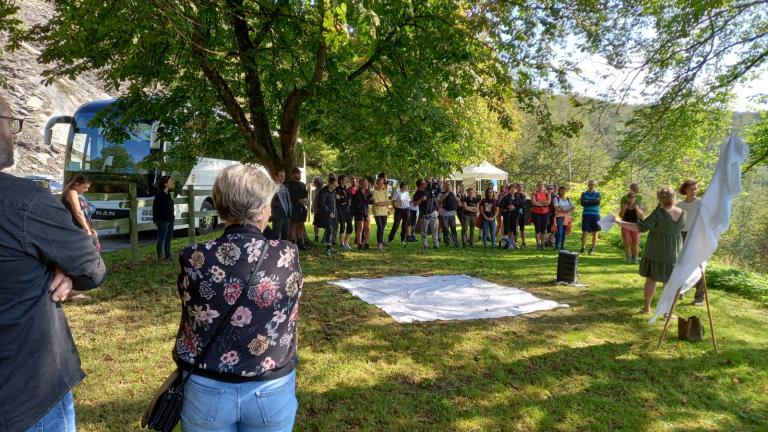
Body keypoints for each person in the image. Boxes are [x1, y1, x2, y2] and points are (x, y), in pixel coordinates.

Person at [0, 94, 106, 432]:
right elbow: (92, 268)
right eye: (10, 122)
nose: (15, 133)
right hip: (27, 393)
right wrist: (65, 268)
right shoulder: (26, 202)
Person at [174, 164, 302, 431]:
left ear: (220, 206)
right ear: (262, 208)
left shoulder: (195, 256)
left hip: (207, 386)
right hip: (269, 387)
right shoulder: (285, 255)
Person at [618, 186, 685, 314]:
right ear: (674, 198)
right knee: (669, 282)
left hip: (655, 250)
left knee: (651, 279)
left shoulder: (658, 214)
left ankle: (647, 308)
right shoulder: (683, 213)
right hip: (674, 251)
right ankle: (668, 312)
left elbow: (640, 227)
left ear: (660, 199)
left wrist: (620, 222)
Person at [676, 179, 705, 305]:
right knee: (679, 265)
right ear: (685, 190)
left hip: (696, 236)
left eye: (696, 189)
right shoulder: (679, 205)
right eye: (691, 189)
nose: (694, 191)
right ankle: (679, 292)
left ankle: (699, 297)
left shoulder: (702, 203)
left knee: (699, 266)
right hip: (681, 235)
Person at [61, 174, 100, 251]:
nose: (86, 190)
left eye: (88, 187)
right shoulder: (72, 192)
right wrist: (87, 231)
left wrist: (92, 230)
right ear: (76, 184)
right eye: (85, 187)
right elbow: (78, 213)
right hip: (77, 230)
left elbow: (84, 214)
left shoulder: (78, 195)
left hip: (82, 230)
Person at [152, 175, 176, 261]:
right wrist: (156, 220)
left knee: (168, 239)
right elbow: (155, 208)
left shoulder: (168, 193)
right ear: (165, 184)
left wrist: (172, 217)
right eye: (170, 181)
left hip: (170, 220)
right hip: (162, 220)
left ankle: (168, 256)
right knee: (162, 239)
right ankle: (159, 257)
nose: (172, 182)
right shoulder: (159, 195)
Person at [286, 167, 310, 250]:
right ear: (293, 174)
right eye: (297, 173)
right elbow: (290, 197)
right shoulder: (289, 185)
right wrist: (298, 200)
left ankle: (300, 244)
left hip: (302, 208)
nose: (299, 175)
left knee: (301, 225)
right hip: (294, 208)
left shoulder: (302, 184)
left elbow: (306, 196)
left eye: (300, 173)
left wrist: (305, 200)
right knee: (293, 226)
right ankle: (292, 244)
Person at [413, 179, 439, 249]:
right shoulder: (417, 194)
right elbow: (415, 204)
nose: (426, 184)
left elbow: (436, 189)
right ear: (420, 185)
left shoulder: (429, 190)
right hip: (424, 214)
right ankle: (425, 245)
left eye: (425, 183)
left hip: (433, 212)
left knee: (435, 229)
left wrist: (437, 209)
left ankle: (436, 245)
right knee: (424, 231)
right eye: (424, 183)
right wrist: (421, 199)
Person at [619, 191, 644, 263]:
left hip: (635, 226)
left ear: (635, 198)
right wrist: (624, 209)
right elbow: (621, 216)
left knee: (635, 243)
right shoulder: (624, 205)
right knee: (627, 243)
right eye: (629, 197)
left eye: (633, 197)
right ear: (627, 198)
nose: (631, 198)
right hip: (625, 226)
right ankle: (628, 258)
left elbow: (641, 216)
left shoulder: (638, 206)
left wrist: (637, 209)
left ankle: (636, 258)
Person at [579, 179, 602, 255]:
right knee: (584, 231)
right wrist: (592, 201)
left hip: (595, 215)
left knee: (595, 232)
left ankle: (593, 248)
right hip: (586, 214)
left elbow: (597, 202)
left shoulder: (598, 194)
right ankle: (583, 248)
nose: (591, 185)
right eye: (590, 184)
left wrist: (587, 201)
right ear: (588, 185)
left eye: (593, 184)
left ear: (595, 185)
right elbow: (582, 203)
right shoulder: (584, 193)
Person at [318, 174, 338, 256]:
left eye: (336, 185)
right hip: (327, 214)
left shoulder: (333, 192)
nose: (335, 187)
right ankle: (328, 248)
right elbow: (321, 203)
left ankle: (330, 245)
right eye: (334, 185)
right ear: (329, 183)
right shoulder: (324, 191)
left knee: (332, 229)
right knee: (329, 229)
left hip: (334, 214)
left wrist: (334, 212)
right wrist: (329, 212)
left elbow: (333, 203)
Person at [270, 169, 292, 240]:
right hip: (278, 215)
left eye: (284, 176)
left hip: (287, 215)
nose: (283, 177)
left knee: (286, 234)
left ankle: (284, 249)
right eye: (281, 176)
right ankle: (274, 249)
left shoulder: (285, 187)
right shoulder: (272, 187)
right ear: (276, 177)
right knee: (276, 234)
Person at [351, 178, 373, 249]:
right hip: (359, 213)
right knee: (360, 228)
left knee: (367, 228)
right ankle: (359, 245)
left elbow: (370, 201)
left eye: (366, 183)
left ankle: (366, 244)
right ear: (360, 184)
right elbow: (355, 203)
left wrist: (371, 199)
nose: (366, 184)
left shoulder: (368, 192)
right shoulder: (357, 193)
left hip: (366, 212)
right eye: (364, 183)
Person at [531, 182, 552, 251]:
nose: (540, 187)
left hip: (545, 213)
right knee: (537, 229)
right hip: (536, 213)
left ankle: (543, 244)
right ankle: (538, 244)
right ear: (537, 186)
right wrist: (543, 203)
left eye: (542, 186)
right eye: (539, 186)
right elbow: (533, 202)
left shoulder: (547, 193)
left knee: (544, 229)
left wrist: (539, 202)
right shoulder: (534, 193)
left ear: (544, 187)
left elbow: (548, 202)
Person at [437, 182, 460, 247]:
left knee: (453, 228)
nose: (448, 186)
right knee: (446, 229)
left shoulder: (452, 193)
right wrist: (445, 196)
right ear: (444, 186)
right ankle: (447, 242)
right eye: (447, 185)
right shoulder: (441, 194)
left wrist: (457, 199)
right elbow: (439, 203)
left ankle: (455, 242)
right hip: (444, 215)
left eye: (449, 185)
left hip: (452, 214)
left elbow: (457, 201)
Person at [335, 175, 353, 251]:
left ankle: (346, 243)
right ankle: (342, 244)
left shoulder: (346, 189)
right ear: (341, 180)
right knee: (342, 226)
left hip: (347, 210)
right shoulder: (337, 189)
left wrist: (344, 199)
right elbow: (340, 200)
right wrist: (344, 200)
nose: (347, 180)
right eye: (345, 179)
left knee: (350, 227)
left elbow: (348, 198)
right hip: (340, 210)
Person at [553, 186, 574, 251]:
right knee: (559, 232)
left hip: (567, 217)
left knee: (564, 232)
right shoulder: (556, 198)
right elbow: (556, 207)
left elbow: (573, 207)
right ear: (559, 191)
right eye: (561, 190)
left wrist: (566, 210)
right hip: (559, 217)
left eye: (564, 190)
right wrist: (564, 210)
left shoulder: (568, 199)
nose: (563, 191)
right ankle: (557, 246)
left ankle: (562, 246)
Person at [372, 177, 389, 250]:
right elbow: (376, 203)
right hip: (377, 212)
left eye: (383, 183)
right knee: (380, 227)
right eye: (380, 183)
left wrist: (381, 203)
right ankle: (380, 244)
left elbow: (388, 202)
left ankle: (381, 241)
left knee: (383, 227)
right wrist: (383, 203)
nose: (382, 185)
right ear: (377, 184)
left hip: (384, 212)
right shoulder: (374, 192)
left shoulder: (385, 192)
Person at [499, 184, 517, 249]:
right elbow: (501, 205)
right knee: (506, 228)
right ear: (509, 190)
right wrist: (508, 207)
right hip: (507, 215)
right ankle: (505, 243)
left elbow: (519, 205)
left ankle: (511, 242)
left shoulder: (516, 197)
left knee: (512, 229)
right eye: (511, 189)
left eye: (514, 189)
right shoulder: (505, 197)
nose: (513, 190)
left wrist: (515, 207)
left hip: (514, 215)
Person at [311, 176, 323, 242]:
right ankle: (316, 236)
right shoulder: (315, 190)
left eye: (315, 182)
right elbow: (314, 200)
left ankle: (325, 238)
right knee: (315, 224)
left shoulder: (322, 189)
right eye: (314, 182)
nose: (314, 183)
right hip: (316, 210)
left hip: (321, 210)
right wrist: (312, 207)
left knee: (325, 224)